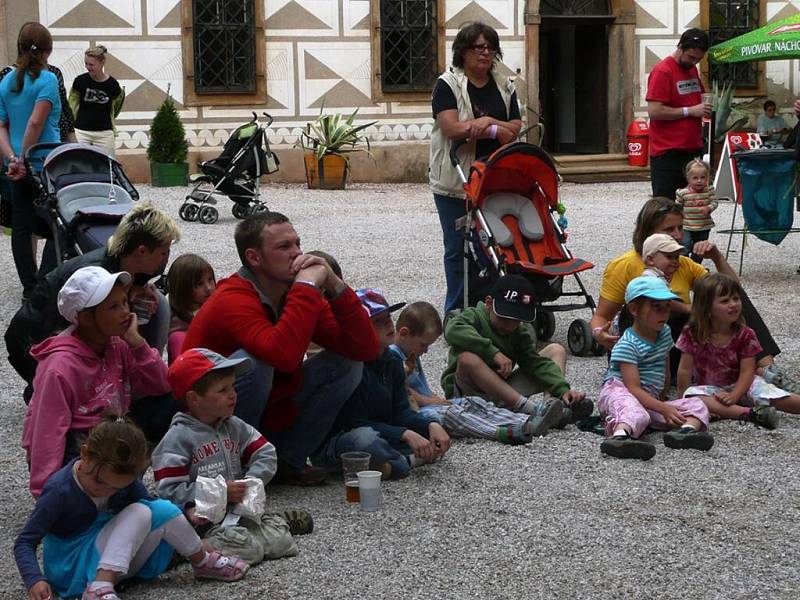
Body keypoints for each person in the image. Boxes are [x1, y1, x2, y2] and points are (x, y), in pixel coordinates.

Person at [182, 212, 381, 485]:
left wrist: (335, 285)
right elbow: (283, 357)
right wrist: (307, 286)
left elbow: (367, 349)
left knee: (347, 364)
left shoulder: (293, 292)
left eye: (298, 243)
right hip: (205, 425)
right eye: (284, 246)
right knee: (255, 363)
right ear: (254, 258)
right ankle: (237, 469)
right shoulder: (233, 298)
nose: (298, 253)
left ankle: (287, 461)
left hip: (269, 408)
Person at [14, 416, 248, 600]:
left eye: (116, 488)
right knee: (141, 511)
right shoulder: (60, 490)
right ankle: (99, 588)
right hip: (71, 570)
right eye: (100, 482)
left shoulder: (121, 482)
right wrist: (34, 579)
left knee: (158, 509)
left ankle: (202, 561)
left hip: (109, 560)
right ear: (85, 454)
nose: (106, 491)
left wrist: (187, 512)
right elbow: (25, 541)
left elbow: (155, 508)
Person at [152, 348, 312, 565]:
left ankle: (264, 527)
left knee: (282, 544)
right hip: (203, 523)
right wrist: (221, 492)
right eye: (222, 390)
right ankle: (186, 549)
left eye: (233, 387)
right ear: (194, 398)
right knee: (251, 551)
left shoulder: (234, 426)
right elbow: (169, 492)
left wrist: (250, 481)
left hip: (239, 513)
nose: (233, 394)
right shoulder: (177, 438)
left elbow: (265, 452)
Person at [22, 266, 170, 498]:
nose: (125, 312)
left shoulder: (116, 343)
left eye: (124, 302)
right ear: (85, 318)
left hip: (112, 431)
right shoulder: (59, 366)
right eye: (113, 306)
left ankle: (123, 482)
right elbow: (47, 432)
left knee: (172, 401)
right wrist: (47, 494)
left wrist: (138, 344)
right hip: (80, 447)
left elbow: (161, 385)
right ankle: (105, 490)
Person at [589, 196, 780, 372]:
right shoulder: (625, 265)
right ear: (648, 233)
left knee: (730, 301)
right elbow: (601, 316)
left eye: (680, 228)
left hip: (681, 344)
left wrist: (716, 257)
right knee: (651, 303)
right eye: (669, 229)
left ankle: (769, 369)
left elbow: (733, 291)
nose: (678, 235)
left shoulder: (682, 263)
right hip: (645, 347)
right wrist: (599, 334)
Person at [5, 203, 180, 391]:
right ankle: (44, 389)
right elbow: (73, 330)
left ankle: (138, 378)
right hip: (35, 340)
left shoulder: (130, 260)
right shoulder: (94, 274)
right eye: (164, 253)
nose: (166, 259)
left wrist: (137, 288)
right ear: (142, 251)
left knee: (158, 302)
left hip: (74, 328)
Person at [429, 22, 522, 313]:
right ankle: (455, 310)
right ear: (463, 51)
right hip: (456, 181)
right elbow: (452, 129)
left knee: (494, 246)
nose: (485, 53)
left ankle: (490, 307)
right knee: (458, 248)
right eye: (478, 47)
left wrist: (490, 124)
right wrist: (495, 129)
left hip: (495, 177)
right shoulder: (448, 84)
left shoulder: (504, 84)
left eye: (490, 47)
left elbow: (515, 128)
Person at [312, 290, 451, 480]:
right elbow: (354, 423)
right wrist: (405, 434)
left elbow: (401, 411)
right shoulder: (352, 365)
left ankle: (387, 463)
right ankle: (404, 463)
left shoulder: (392, 360)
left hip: (383, 431)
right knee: (365, 440)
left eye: (388, 317)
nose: (388, 324)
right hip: (344, 440)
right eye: (378, 321)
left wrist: (431, 424)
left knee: (432, 424)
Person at [441, 274, 590, 433]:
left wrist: (562, 389)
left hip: (503, 394)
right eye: (504, 317)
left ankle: (552, 407)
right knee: (467, 359)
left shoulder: (519, 332)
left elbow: (535, 363)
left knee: (556, 350)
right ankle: (533, 410)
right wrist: (493, 353)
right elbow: (452, 330)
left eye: (517, 320)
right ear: (489, 303)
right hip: (468, 396)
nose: (510, 325)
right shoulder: (475, 315)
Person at [390, 301, 551, 444]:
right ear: (404, 333)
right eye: (423, 345)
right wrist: (435, 402)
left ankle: (526, 421)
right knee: (451, 413)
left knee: (473, 402)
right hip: (413, 414)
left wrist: (436, 399)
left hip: (428, 405)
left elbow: (421, 388)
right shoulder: (393, 357)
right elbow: (404, 393)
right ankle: (498, 432)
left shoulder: (409, 352)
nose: (425, 351)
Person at [598, 277, 713, 461]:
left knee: (696, 404)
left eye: (667, 306)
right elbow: (632, 388)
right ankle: (620, 437)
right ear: (635, 309)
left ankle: (685, 433)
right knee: (635, 412)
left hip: (648, 398)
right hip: (620, 392)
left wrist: (663, 398)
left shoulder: (664, 332)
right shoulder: (627, 344)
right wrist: (662, 408)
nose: (664, 312)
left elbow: (665, 365)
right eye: (656, 307)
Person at [676, 273, 790, 429]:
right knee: (693, 395)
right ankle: (751, 414)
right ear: (706, 308)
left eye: (736, 299)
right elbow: (684, 369)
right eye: (725, 301)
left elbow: (747, 372)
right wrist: (682, 398)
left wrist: (735, 394)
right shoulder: (692, 333)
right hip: (712, 388)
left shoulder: (746, 334)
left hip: (744, 383)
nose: (733, 304)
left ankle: (731, 410)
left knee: (774, 396)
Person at [0, 22, 61, 297]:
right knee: (58, 224)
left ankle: (29, 287)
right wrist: (24, 159)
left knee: (22, 226)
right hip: (43, 163)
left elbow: (1, 125)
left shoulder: (5, 81)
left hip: (13, 166)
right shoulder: (48, 79)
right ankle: (46, 284)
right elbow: (36, 123)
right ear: (47, 50)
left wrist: (12, 159)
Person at [646, 28, 712, 199]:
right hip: (668, 151)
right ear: (681, 47)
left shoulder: (691, 69)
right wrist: (690, 111)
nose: (694, 62)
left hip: (691, 149)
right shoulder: (663, 71)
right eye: (691, 57)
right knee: (665, 206)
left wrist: (704, 108)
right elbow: (654, 111)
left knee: (692, 205)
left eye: (698, 59)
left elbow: (694, 100)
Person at [69, 45, 124, 157]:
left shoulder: (112, 84)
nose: (88, 67)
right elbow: (72, 102)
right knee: (80, 163)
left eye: (91, 64)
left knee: (107, 165)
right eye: (86, 64)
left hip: (105, 133)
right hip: (81, 131)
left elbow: (116, 105)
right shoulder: (80, 81)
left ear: (102, 62)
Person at [165, 253, 216, 364]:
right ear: (183, 288)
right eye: (199, 284)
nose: (208, 288)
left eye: (210, 279)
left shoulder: (214, 308)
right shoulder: (178, 332)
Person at [675, 159, 718, 262]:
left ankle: (696, 267)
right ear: (688, 178)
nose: (699, 180)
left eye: (703, 177)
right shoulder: (683, 193)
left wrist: (709, 208)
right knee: (684, 247)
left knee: (700, 250)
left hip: (704, 225)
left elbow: (715, 202)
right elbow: (677, 207)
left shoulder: (709, 190)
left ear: (707, 177)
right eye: (695, 178)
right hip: (687, 225)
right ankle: (684, 265)